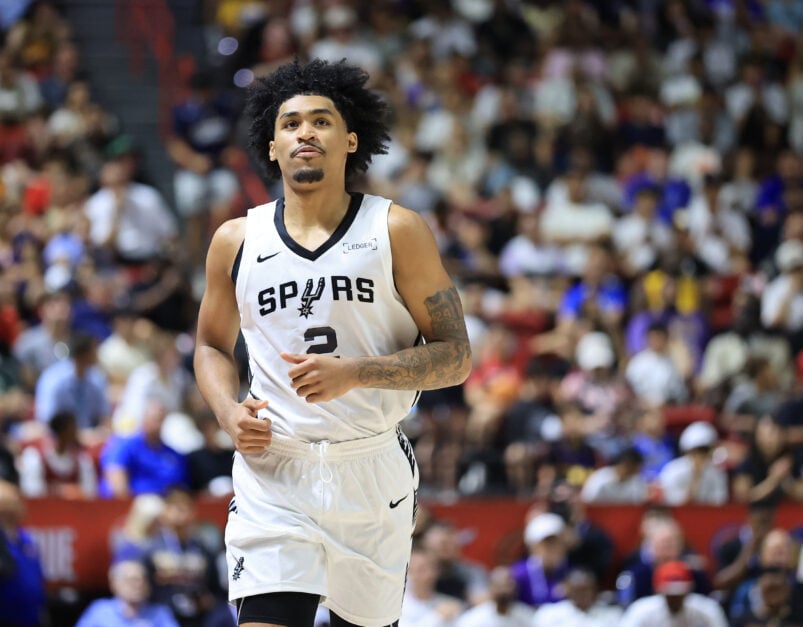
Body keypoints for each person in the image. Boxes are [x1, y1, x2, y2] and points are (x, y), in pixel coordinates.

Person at [193, 58, 472, 627]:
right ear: (272, 147)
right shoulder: (235, 240)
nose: (304, 133)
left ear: (350, 139)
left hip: (370, 466)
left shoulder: (396, 230)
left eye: (320, 121)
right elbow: (210, 346)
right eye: (290, 124)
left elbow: (456, 356)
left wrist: (357, 372)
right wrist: (226, 411)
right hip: (275, 468)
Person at [620, 560, 728, 627]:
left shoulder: (707, 609)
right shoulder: (641, 611)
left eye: (679, 593)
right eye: (669, 594)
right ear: (658, 591)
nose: (675, 598)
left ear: (689, 589)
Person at [75, 559, 179, 627]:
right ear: (115, 584)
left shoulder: (160, 613)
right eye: (131, 581)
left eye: (142, 580)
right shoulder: (100, 611)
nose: (138, 585)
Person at [0, 480, 47, 627]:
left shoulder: (27, 538)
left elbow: (37, 578)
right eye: (11, 502)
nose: (19, 506)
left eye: (17, 500)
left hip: (32, 618)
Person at [531, 568, 622, 627]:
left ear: (595, 590)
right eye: (578, 591)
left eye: (586, 590)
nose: (583, 595)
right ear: (568, 591)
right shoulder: (548, 614)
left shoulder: (612, 615)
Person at [454, 566, 533, 627]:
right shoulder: (473, 619)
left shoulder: (526, 615)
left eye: (508, 585)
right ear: (490, 587)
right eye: (499, 586)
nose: (504, 590)